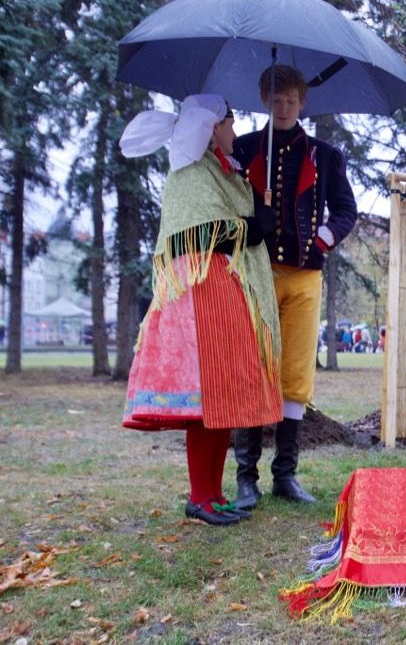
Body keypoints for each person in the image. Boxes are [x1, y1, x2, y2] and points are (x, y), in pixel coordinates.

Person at [119, 94, 282, 526]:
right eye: (230, 122)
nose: (235, 131)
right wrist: (249, 227)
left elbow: (231, 222)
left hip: (226, 288)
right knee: (207, 397)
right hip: (200, 293)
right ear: (213, 128)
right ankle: (199, 496)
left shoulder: (224, 170)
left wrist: (258, 211)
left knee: (222, 396)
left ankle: (213, 493)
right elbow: (197, 231)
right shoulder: (190, 172)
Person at [232, 65, 358, 508]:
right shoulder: (245, 148)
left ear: (302, 102)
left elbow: (346, 210)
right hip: (256, 272)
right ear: (265, 100)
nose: (283, 107)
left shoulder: (324, 155)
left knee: (296, 373)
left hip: (305, 275)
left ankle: (285, 475)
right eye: (276, 99)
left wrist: (324, 238)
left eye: (291, 100)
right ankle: (245, 477)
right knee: (253, 367)